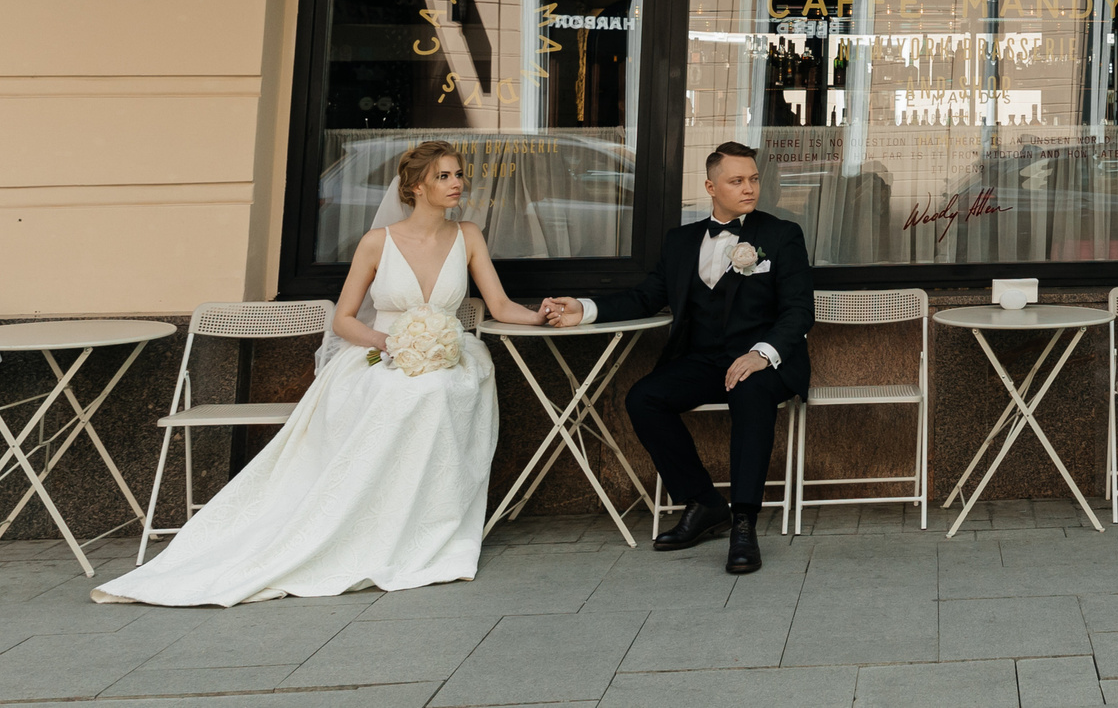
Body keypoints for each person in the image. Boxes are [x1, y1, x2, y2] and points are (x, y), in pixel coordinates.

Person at [95, 141, 546, 606]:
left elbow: (500, 305)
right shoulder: (377, 243)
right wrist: (389, 342)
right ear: (416, 186)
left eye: (458, 175)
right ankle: (361, 526)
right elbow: (345, 319)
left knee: (438, 388)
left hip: (449, 355)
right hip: (382, 351)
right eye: (445, 177)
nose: (458, 184)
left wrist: (539, 316)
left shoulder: (468, 235)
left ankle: (422, 528)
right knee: (397, 393)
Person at [542, 141, 813, 575]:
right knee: (644, 398)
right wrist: (584, 309)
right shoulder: (681, 241)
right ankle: (705, 503)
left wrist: (763, 354)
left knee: (750, 391)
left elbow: (799, 310)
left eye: (754, 179)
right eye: (737, 180)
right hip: (703, 359)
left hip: (765, 361)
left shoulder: (781, 235)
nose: (749, 188)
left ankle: (743, 520)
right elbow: (645, 297)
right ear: (710, 186)